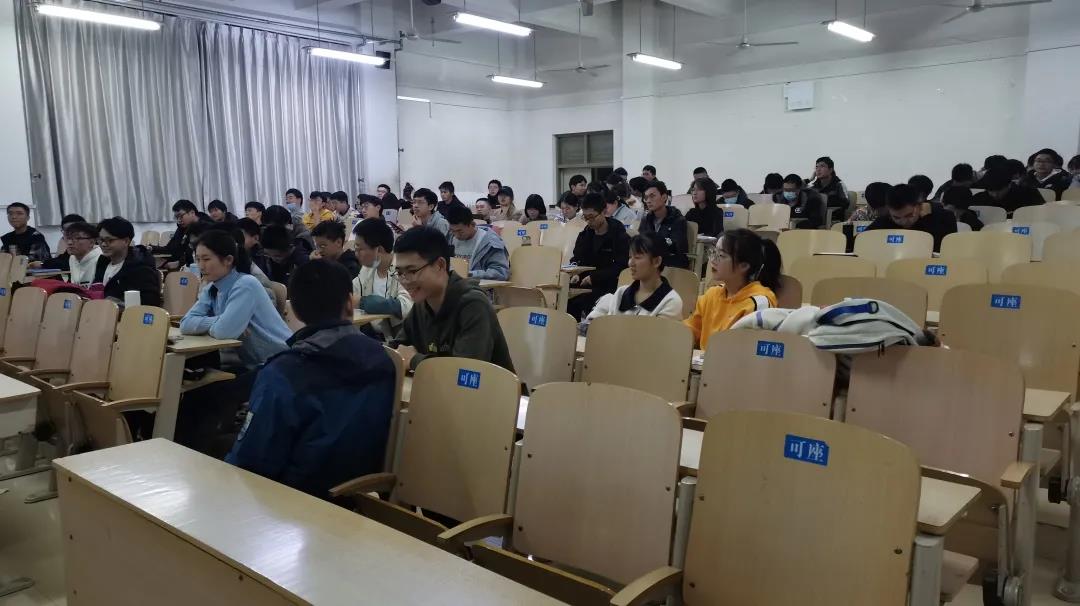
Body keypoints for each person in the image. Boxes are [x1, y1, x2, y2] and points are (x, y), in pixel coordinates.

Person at [225, 259, 397, 497]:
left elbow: (250, 464)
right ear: (350, 303)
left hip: (291, 502)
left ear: (294, 310)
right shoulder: (385, 360)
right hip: (362, 496)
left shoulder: (283, 373)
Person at [177, 229, 292, 456]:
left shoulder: (246, 284)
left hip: (277, 364)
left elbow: (223, 332)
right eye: (198, 259)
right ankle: (186, 451)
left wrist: (221, 323)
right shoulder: (212, 288)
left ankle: (203, 453)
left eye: (206, 259)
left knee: (217, 393)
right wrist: (221, 319)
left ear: (228, 260)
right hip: (250, 363)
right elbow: (186, 323)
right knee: (194, 393)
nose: (200, 265)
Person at [391, 226, 514, 371]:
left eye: (412, 271)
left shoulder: (473, 305)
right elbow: (399, 348)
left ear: (440, 265)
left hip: (489, 386)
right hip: (437, 385)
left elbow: (464, 372)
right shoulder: (422, 301)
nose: (404, 280)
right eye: (399, 273)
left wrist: (414, 360)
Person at [685, 229, 780, 349]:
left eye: (721, 255)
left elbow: (751, 352)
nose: (712, 260)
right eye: (714, 252)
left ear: (744, 266)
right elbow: (689, 332)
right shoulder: (712, 294)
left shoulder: (759, 303)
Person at [583, 233, 682, 331]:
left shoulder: (670, 302)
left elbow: (655, 339)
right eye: (630, 257)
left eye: (637, 257)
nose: (631, 263)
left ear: (657, 261)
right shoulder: (621, 293)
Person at [566, 193, 632, 320]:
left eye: (592, 217)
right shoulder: (585, 235)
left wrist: (595, 277)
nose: (588, 221)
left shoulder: (618, 235)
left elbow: (622, 265)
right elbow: (576, 259)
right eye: (585, 217)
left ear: (603, 212)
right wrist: (575, 273)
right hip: (584, 282)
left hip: (609, 284)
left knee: (589, 299)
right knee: (566, 296)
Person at [352, 218, 413, 341]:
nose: (356, 254)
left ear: (379, 250)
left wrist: (363, 302)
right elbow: (353, 291)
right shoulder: (368, 269)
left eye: (360, 249)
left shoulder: (403, 268)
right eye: (355, 248)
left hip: (400, 339)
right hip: (371, 336)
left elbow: (406, 307)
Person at [865, 183, 957, 251]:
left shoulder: (943, 219)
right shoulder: (882, 224)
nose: (903, 222)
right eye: (896, 217)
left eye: (909, 215)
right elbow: (862, 242)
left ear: (919, 206)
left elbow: (947, 251)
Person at [93, 217, 162, 307]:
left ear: (126, 241)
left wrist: (119, 304)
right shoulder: (103, 262)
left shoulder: (140, 267)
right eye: (101, 240)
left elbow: (151, 302)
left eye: (109, 240)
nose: (103, 244)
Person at [446, 205, 510, 281]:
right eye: (453, 231)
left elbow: (501, 272)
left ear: (472, 224)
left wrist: (470, 275)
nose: (456, 235)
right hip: (455, 283)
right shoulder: (450, 238)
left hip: (479, 286)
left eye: (460, 231)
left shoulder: (490, 242)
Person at [638, 181, 690, 269]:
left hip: (671, 264)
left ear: (664, 197)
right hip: (651, 262)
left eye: (652, 196)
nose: (648, 201)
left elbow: (677, 248)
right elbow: (641, 243)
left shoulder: (677, 220)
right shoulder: (646, 219)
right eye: (646, 197)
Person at [972, 169, 1044, 216]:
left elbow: (1041, 214)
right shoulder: (979, 199)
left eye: (999, 190)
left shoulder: (1029, 194)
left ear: (1009, 185)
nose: (995, 195)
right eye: (990, 191)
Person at [155, 199, 201, 268]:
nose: (179, 220)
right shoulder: (182, 228)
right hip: (186, 267)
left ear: (192, 213)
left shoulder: (205, 228)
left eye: (181, 216)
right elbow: (170, 249)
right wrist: (152, 248)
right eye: (177, 217)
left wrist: (179, 263)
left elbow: (197, 254)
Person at [54, 221, 102, 286]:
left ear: (92, 242)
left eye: (77, 238)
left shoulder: (101, 258)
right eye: (68, 238)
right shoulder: (72, 258)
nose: (70, 242)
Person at [807, 156, 850, 222]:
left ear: (830, 170)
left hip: (833, 219)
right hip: (815, 218)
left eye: (822, 166)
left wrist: (826, 201)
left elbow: (845, 203)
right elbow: (798, 190)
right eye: (816, 167)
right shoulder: (813, 186)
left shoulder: (839, 184)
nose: (818, 169)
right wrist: (809, 179)